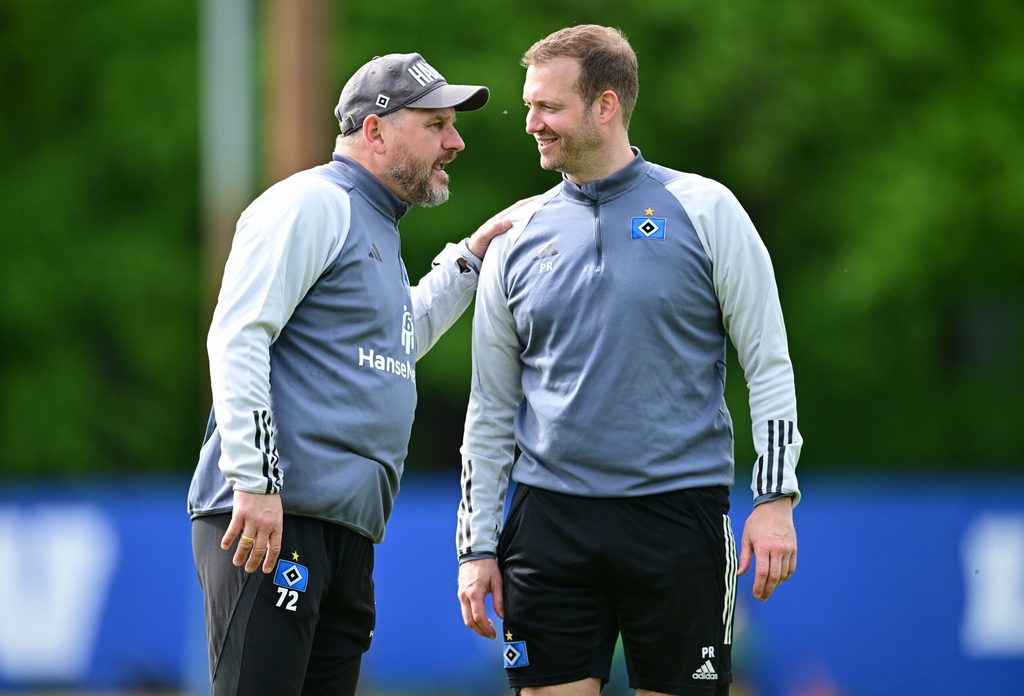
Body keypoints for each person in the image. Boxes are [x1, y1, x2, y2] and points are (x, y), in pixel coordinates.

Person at [455, 25, 803, 696]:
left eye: (548, 107)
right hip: (549, 522)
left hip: (677, 518)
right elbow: (490, 409)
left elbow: (769, 363)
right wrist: (475, 549)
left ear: (606, 106)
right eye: (530, 107)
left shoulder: (707, 210)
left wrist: (776, 498)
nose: (531, 123)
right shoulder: (514, 236)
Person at [188, 52, 515, 696]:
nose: (456, 141)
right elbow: (237, 336)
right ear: (376, 130)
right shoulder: (313, 202)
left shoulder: (376, 227)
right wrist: (254, 481)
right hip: (272, 519)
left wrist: (471, 258)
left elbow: (394, 341)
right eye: (437, 124)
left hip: (341, 529)